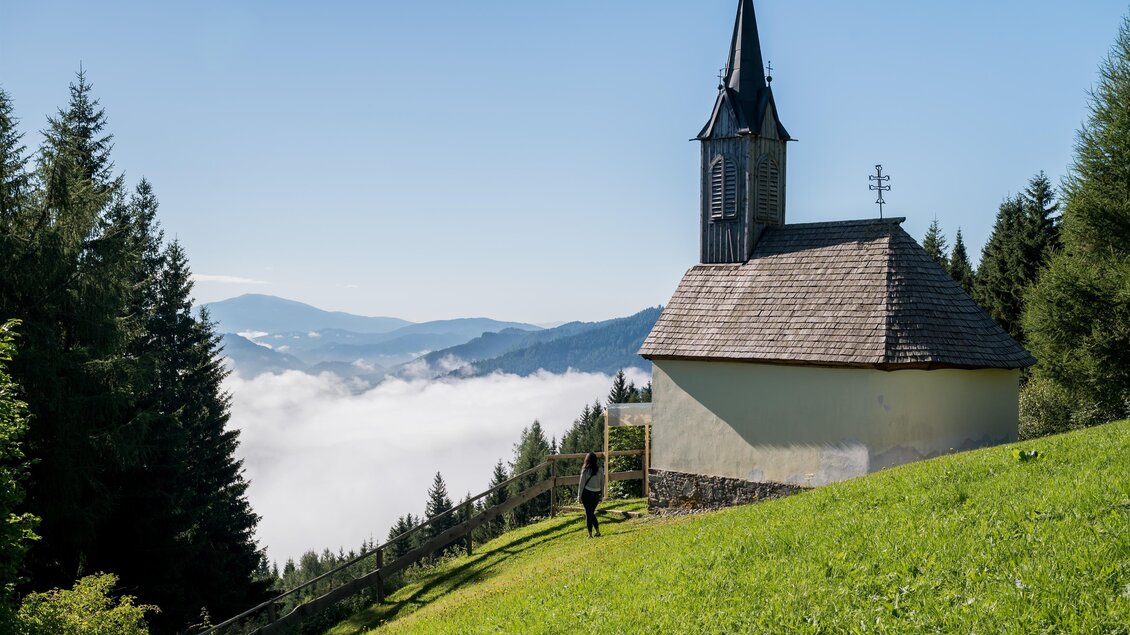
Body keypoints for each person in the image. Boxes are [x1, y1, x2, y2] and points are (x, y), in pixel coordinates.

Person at [577, 452, 603, 537]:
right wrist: (601, 495)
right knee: (591, 513)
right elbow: (602, 483)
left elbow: (581, 484)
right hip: (597, 494)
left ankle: (590, 534)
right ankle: (597, 531)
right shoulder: (600, 469)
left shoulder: (585, 470)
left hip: (587, 493)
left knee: (589, 514)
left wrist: (579, 496)